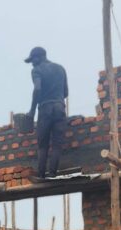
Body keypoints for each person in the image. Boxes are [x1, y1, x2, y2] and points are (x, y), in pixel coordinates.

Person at [25, 46, 69, 179]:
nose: (32, 63)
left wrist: (32, 111)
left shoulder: (37, 70)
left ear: (39, 57)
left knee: (43, 145)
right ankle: (53, 174)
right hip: (60, 108)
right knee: (57, 144)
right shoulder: (61, 68)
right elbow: (65, 92)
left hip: (45, 109)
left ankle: (42, 175)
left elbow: (37, 89)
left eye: (33, 59)